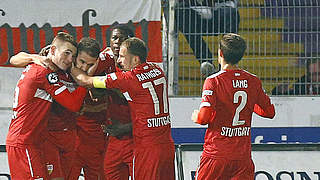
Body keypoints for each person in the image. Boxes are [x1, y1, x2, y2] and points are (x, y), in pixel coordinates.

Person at [70, 37, 175, 180]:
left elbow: (85, 81)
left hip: (147, 148)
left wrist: (70, 65)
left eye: (122, 57)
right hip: (167, 146)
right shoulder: (157, 70)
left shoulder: (128, 79)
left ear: (135, 60)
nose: (118, 61)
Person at [191, 33, 275, 180]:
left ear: (220, 53)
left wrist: (196, 116)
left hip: (216, 155)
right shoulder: (253, 80)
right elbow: (269, 112)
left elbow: (203, 118)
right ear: (241, 55)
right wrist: (250, 102)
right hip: (242, 158)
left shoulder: (213, 81)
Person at [6, 32, 87, 180]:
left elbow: (14, 58)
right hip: (24, 141)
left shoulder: (38, 66)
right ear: (53, 50)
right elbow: (74, 104)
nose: (69, 59)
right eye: (66, 53)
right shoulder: (44, 72)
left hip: (32, 141)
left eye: (73, 56)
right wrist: (85, 81)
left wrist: (32, 57)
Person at [68, 37, 115, 180]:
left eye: (90, 64)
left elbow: (111, 52)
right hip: (72, 138)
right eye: (82, 62)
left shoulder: (107, 61)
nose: (84, 68)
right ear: (75, 56)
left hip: (98, 139)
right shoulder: (64, 63)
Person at [101, 24, 135, 180]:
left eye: (122, 38)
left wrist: (108, 88)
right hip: (114, 136)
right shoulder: (105, 63)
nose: (117, 42)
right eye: (114, 38)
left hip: (135, 137)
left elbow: (127, 94)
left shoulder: (137, 68)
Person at [175, 0, 240, 76]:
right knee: (181, 12)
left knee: (231, 13)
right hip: (196, 13)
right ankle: (206, 62)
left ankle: (227, 64)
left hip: (221, 11)